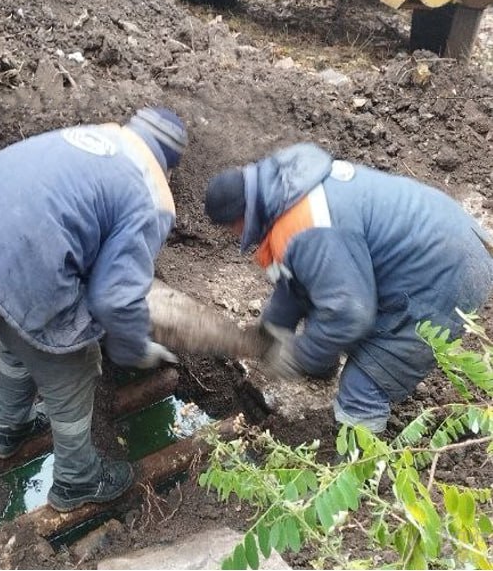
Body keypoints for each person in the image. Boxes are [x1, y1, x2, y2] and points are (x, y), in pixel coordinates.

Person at [0, 107, 188, 512]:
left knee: (19, 338)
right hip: (12, 265)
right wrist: (134, 348)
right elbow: (115, 294)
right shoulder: (153, 194)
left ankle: (10, 429)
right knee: (75, 363)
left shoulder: (95, 138)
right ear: (169, 165)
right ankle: (77, 480)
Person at [204, 143, 493, 434]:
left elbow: (349, 314)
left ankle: (358, 473)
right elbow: (299, 279)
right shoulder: (287, 191)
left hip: (445, 276)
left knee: (361, 391)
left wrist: (300, 356)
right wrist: (271, 329)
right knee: (336, 311)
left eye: (231, 228)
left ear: (241, 218)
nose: (234, 235)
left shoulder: (310, 227)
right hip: (452, 238)